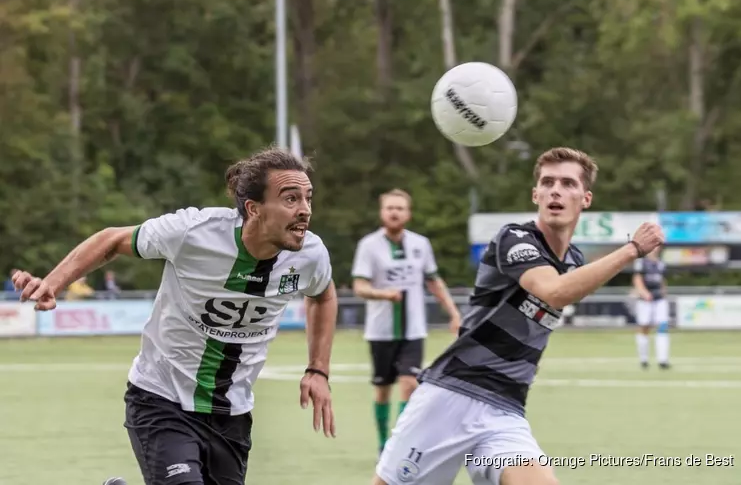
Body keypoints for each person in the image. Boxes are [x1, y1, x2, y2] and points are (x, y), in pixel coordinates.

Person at [12, 147, 338, 485]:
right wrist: (53, 283)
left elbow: (324, 295)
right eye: (290, 199)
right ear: (254, 209)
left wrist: (318, 369)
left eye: (308, 198)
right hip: (160, 398)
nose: (305, 210)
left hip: (232, 413)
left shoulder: (310, 256)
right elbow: (111, 240)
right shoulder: (193, 232)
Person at [372, 147, 664, 485]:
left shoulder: (573, 260)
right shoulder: (515, 238)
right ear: (535, 194)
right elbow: (555, 292)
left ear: (585, 199)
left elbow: (561, 295)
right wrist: (632, 250)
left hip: (505, 410)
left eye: (568, 183)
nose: (556, 190)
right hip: (451, 397)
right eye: (548, 182)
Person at [352, 188, 462, 455]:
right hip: (380, 332)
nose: (394, 212)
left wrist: (454, 313)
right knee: (382, 391)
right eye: (389, 207)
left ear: (408, 213)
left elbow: (434, 281)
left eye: (399, 208)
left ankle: (399, 445)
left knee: (410, 385)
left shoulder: (420, 244)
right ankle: (382, 442)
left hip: (413, 330)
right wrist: (383, 294)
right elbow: (359, 286)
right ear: (382, 212)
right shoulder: (369, 245)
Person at [632, 246, 670, 369]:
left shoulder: (661, 263)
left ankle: (662, 360)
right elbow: (637, 279)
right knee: (644, 327)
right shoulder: (641, 263)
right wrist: (643, 292)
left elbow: (663, 281)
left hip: (659, 299)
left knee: (663, 326)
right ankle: (644, 359)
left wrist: (664, 292)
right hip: (645, 300)